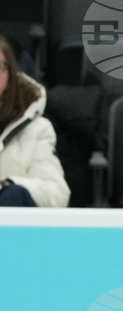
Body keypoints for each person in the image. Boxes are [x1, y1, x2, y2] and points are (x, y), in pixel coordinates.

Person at [0, 33, 70, 207]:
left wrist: (6, 186)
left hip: (9, 218)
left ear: (10, 73)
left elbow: (57, 194)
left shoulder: (36, 129)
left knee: (14, 194)